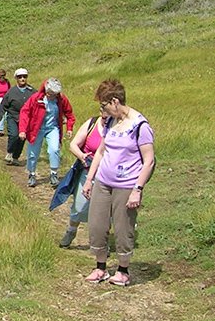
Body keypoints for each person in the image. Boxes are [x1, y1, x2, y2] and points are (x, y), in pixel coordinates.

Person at [81, 79, 155, 287]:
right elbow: (101, 151)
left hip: (126, 185)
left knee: (123, 229)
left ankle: (123, 270)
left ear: (114, 102)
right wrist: (89, 179)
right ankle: (100, 267)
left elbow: (148, 160)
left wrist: (137, 190)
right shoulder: (111, 123)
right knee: (97, 225)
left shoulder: (140, 125)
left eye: (103, 106)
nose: (102, 111)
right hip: (103, 182)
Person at [52, 114, 106, 248]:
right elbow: (73, 145)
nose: (104, 115)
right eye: (102, 110)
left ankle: (101, 242)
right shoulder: (92, 123)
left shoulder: (118, 128)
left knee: (104, 210)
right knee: (80, 206)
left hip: (107, 175)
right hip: (87, 170)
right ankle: (71, 230)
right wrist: (82, 156)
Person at [19, 77, 75, 188]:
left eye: (53, 94)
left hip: (52, 128)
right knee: (32, 153)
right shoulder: (35, 98)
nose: (51, 96)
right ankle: (32, 174)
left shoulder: (61, 99)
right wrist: (22, 130)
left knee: (54, 149)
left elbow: (69, 114)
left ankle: (54, 174)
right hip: (36, 129)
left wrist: (69, 128)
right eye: (49, 93)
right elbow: (24, 112)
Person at [0, 69, 35, 166]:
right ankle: (10, 152)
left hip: (25, 119)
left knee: (21, 138)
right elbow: (4, 105)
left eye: (24, 76)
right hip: (13, 116)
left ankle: (16, 157)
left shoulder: (32, 91)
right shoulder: (11, 92)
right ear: (16, 78)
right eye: (20, 77)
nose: (22, 79)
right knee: (14, 135)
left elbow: (39, 103)